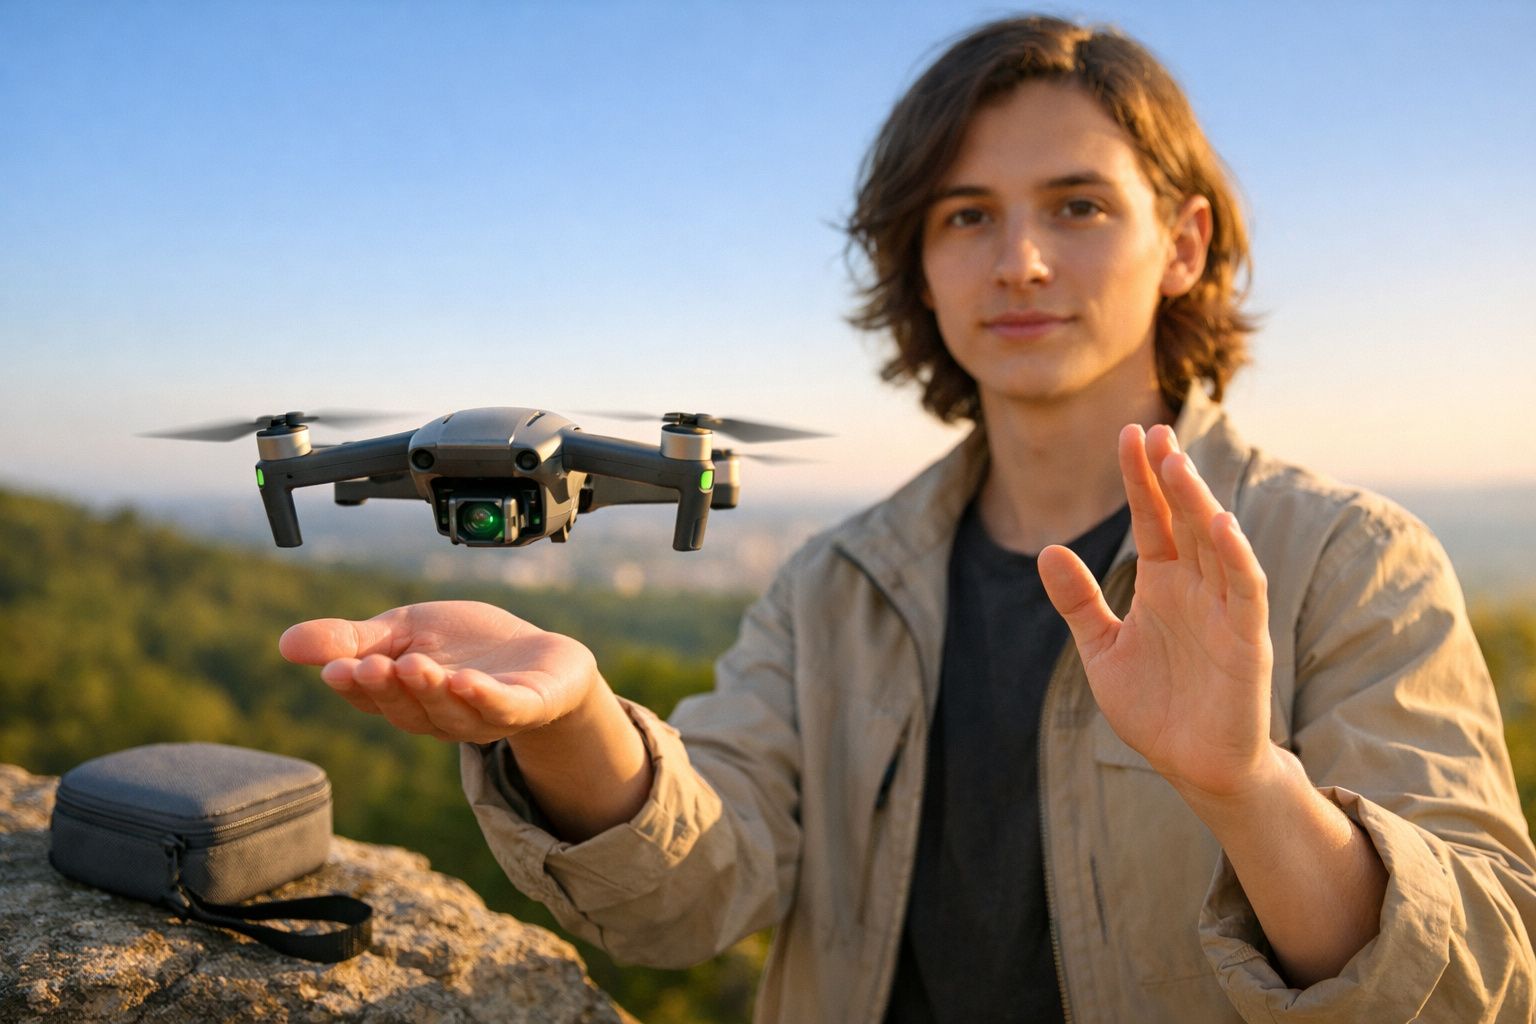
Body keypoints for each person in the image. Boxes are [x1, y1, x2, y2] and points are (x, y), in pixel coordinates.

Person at [280, 14, 1536, 1023]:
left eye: (1080, 204)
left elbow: (1487, 980)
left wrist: (1249, 785)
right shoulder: (837, 584)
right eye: (967, 214)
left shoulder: (1348, 561)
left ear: (1185, 243)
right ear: (919, 264)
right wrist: (572, 728)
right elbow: (689, 901)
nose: (1021, 259)